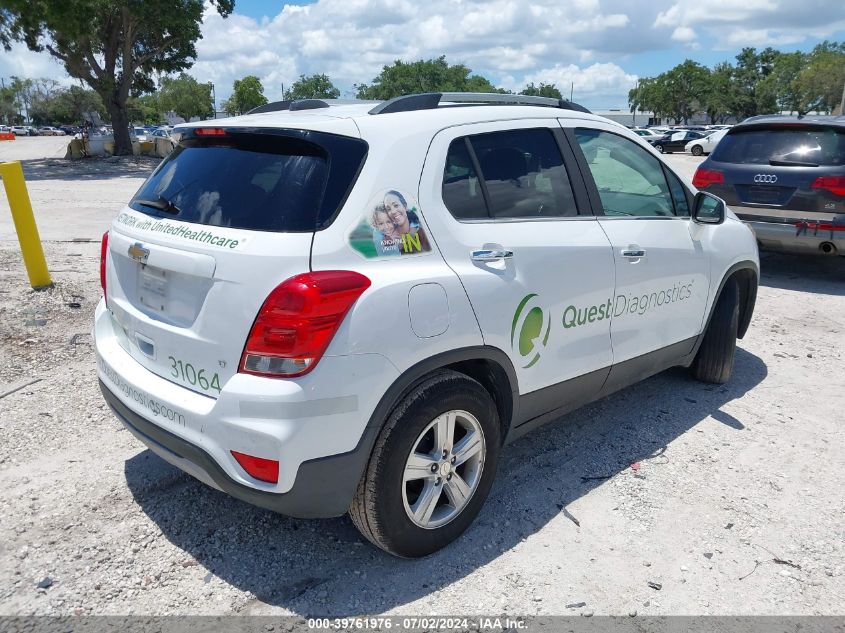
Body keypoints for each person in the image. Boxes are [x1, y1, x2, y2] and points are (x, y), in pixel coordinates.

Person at [383, 190, 430, 255]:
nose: (393, 211)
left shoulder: (421, 232)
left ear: (405, 206)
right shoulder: (388, 239)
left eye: (396, 205)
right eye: (388, 209)